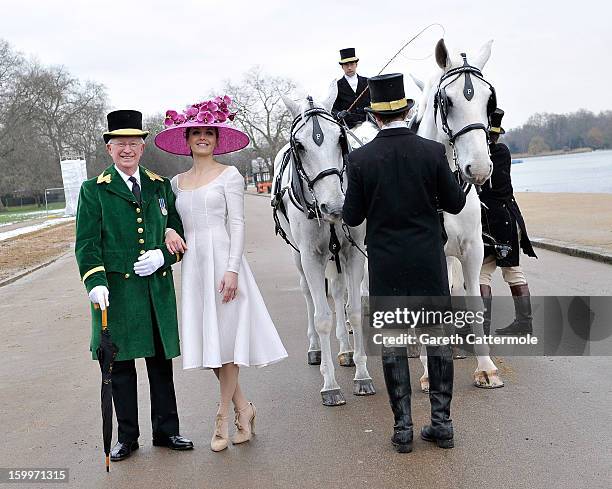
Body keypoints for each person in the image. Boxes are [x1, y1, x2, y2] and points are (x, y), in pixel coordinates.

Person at [155, 98, 288, 452]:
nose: (202, 138)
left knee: (226, 342)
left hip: (224, 263)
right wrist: (169, 232)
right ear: (187, 139)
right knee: (214, 343)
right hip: (194, 267)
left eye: (207, 133)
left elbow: (238, 224)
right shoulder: (176, 182)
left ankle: (221, 418)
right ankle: (244, 408)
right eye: (195, 133)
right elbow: (168, 222)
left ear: (216, 137)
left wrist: (232, 269)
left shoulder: (230, 175)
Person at [342, 74, 466, 453]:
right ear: (408, 110)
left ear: (375, 117)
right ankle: (441, 423)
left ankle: (403, 429)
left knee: (394, 346)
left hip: (387, 265)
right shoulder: (431, 152)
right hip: (428, 261)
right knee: (437, 342)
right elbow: (456, 204)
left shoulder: (359, 159)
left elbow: (351, 216)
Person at [75, 110, 193, 462]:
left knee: (160, 366)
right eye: (119, 144)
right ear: (109, 149)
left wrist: (164, 257)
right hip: (118, 293)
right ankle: (127, 437)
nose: (127, 150)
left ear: (142, 147)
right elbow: (86, 244)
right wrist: (94, 282)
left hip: (154, 291)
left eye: (133, 143)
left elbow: (178, 231)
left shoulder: (159, 185)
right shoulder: (93, 191)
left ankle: (167, 430)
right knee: (120, 368)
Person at [479, 109, 537, 335]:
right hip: (509, 218)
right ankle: (525, 324)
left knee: (482, 273)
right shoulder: (502, 150)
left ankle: (482, 329)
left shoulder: (483, 156)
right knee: (513, 271)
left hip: (488, 220)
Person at [332, 47, 371, 128]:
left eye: (352, 64)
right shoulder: (336, 86)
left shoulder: (368, 82)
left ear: (356, 65)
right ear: (342, 67)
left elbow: (375, 103)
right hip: (347, 127)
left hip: (368, 124)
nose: (349, 68)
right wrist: (339, 114)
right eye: (346, 65)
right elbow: (332, 109)